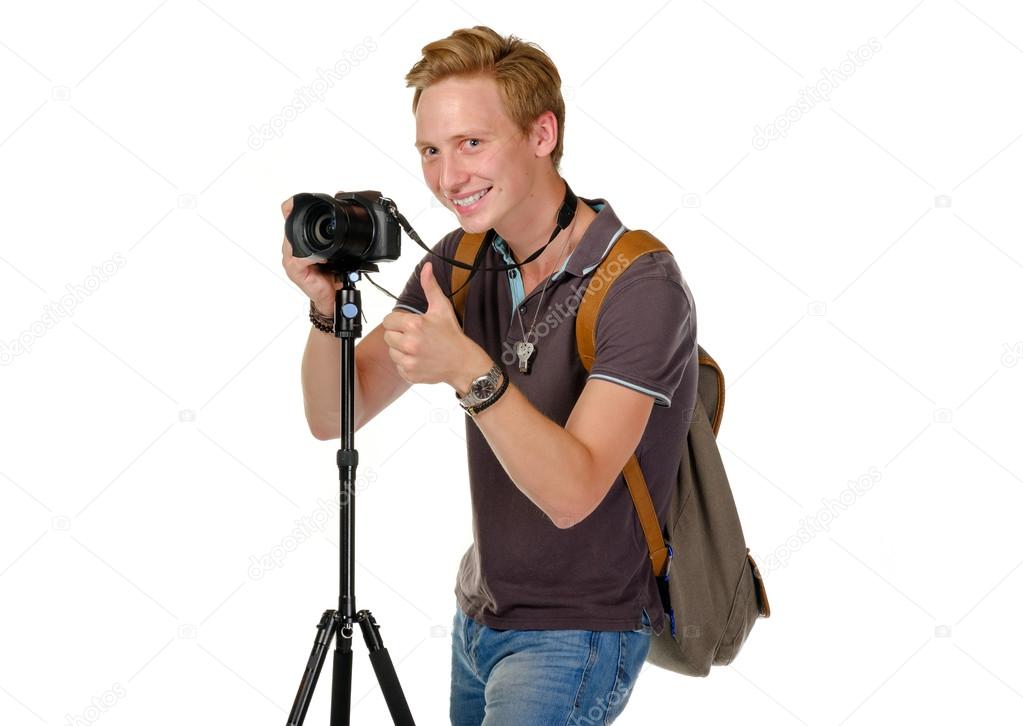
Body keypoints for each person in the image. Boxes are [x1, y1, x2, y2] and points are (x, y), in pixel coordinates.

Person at [281, 25, 699, 726]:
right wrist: (327, 310)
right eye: (430, 151)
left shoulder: (637, 283)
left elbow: (573, 491)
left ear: (541, 134)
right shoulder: (461, 257)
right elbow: (334, 414)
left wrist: (468, 370)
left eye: (472, 143)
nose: (448, 178)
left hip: (575, 631)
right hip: (479, 618)